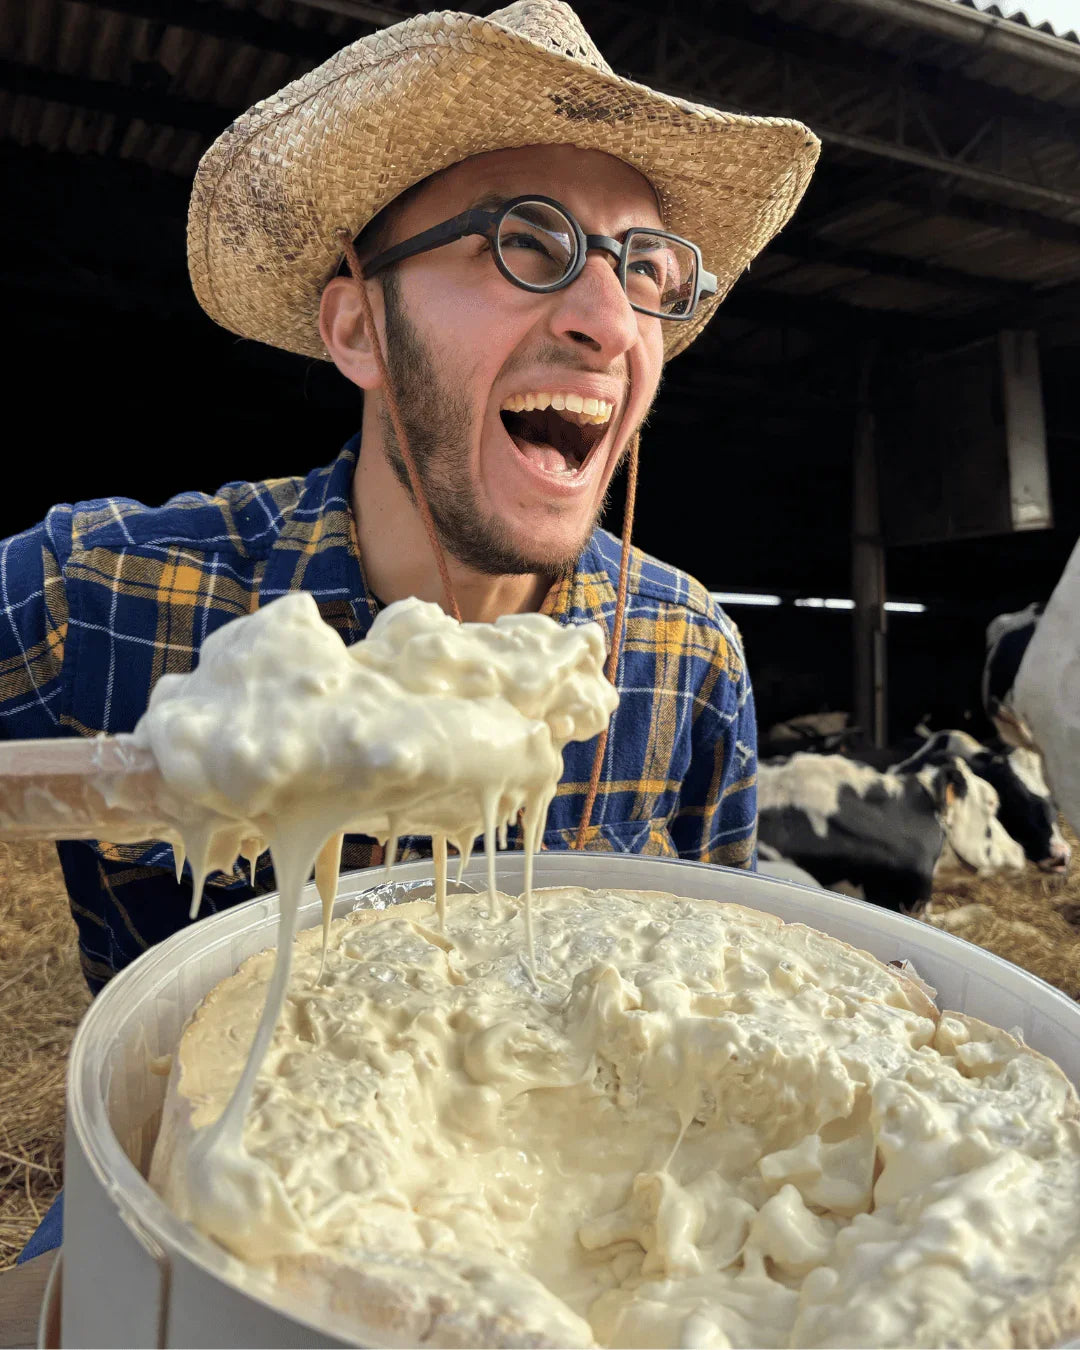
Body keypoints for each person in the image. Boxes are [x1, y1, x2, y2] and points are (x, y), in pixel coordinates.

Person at [1, 0, 818, 998]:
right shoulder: (102, 594)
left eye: (643, 267)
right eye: (526, 240)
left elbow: (708, 985)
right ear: (360, 332)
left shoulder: (687, 660)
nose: (611, 319)